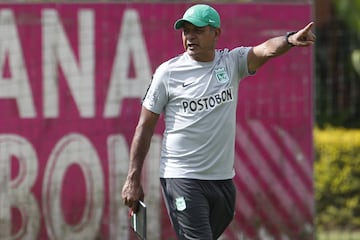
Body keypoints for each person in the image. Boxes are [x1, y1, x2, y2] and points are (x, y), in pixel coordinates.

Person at [122, 3, 315, 239]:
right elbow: (145, 126)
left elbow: (265, 49)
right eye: (186, 31)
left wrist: (290, 39)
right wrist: (133, 178)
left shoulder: (231, 63)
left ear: (216, 33)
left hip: (222, 181)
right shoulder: (168, 73)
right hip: (182, 178)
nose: (190, 36)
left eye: (198, 30)